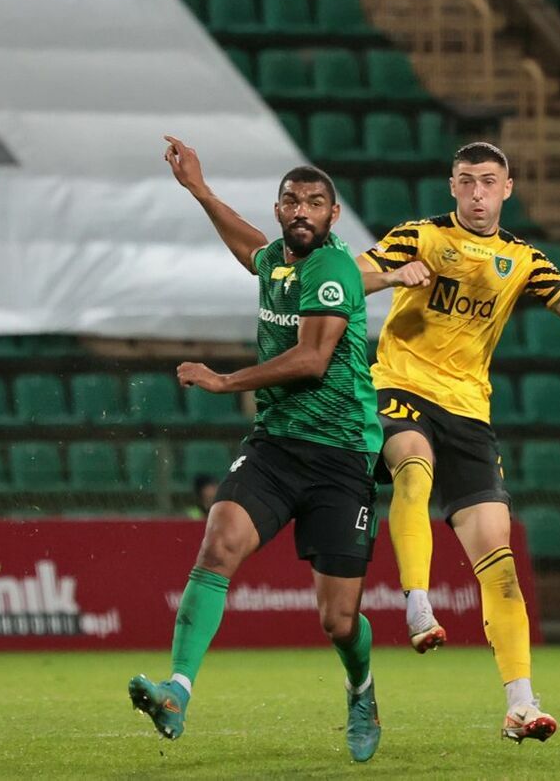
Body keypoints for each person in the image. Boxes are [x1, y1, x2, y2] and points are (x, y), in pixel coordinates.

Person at [129, 136, 390, 763]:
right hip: (276, 445)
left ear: (333, 215)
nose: (302, 210)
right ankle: (177, 692)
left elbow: (311, 360)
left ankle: (361, 690)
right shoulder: (277, 259)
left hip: (341, 454)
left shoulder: (332, 271)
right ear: (279, 210)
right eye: (291, 201)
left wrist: (224, 381)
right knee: (218, 545)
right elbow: (250, 247)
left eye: (315, 203)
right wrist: (199, 189)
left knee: (338, 620)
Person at [355, 141, 560, 743]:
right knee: (413, 466)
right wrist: (393, 274)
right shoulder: (420, 236)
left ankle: (521, 705)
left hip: (469, 414)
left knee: (499, 565)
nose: (477, 193)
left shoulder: (522, 259)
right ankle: (417, 603)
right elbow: (346, 277)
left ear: (508, 188)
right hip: (401, 388)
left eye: (488, 182)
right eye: (466, 181)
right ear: (452, 186)